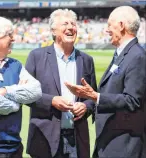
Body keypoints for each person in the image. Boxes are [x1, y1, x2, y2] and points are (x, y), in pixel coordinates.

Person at [65, 6, 146, 158]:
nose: (107, 30)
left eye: (110, 25)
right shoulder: (122, 53)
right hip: (110, 142)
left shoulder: (137, 56)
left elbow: (133, 100)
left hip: (124, 146)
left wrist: (95, 96)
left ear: (121, 26)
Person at [25, 9, 97, 158]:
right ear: (53, 30)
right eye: (65, 23)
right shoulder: (36, 57)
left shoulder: (86, 60)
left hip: (77, 139)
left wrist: (86, 107)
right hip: (45, 139)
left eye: (73, 24)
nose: (71, 27)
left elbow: (93, 97)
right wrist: (51, 101)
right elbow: (24, 93)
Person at [0, 15, 42, 158]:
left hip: (14, 147)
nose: (13, 39)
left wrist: (6, 90)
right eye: (8, 35)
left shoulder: (15, 65)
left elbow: (36, 91)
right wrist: (16, 104)